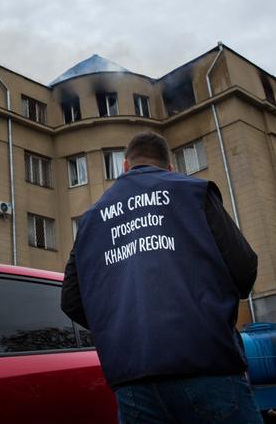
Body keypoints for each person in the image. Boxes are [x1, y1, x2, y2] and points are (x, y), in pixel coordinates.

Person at [61, 131, 262, 423]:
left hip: (132, 378)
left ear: (125, 167)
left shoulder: (90, 220)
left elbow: (71, 300)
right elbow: (244, 269)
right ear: (169, 168)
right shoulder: (193, 191)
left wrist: (118, 328)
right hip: (206, 363)